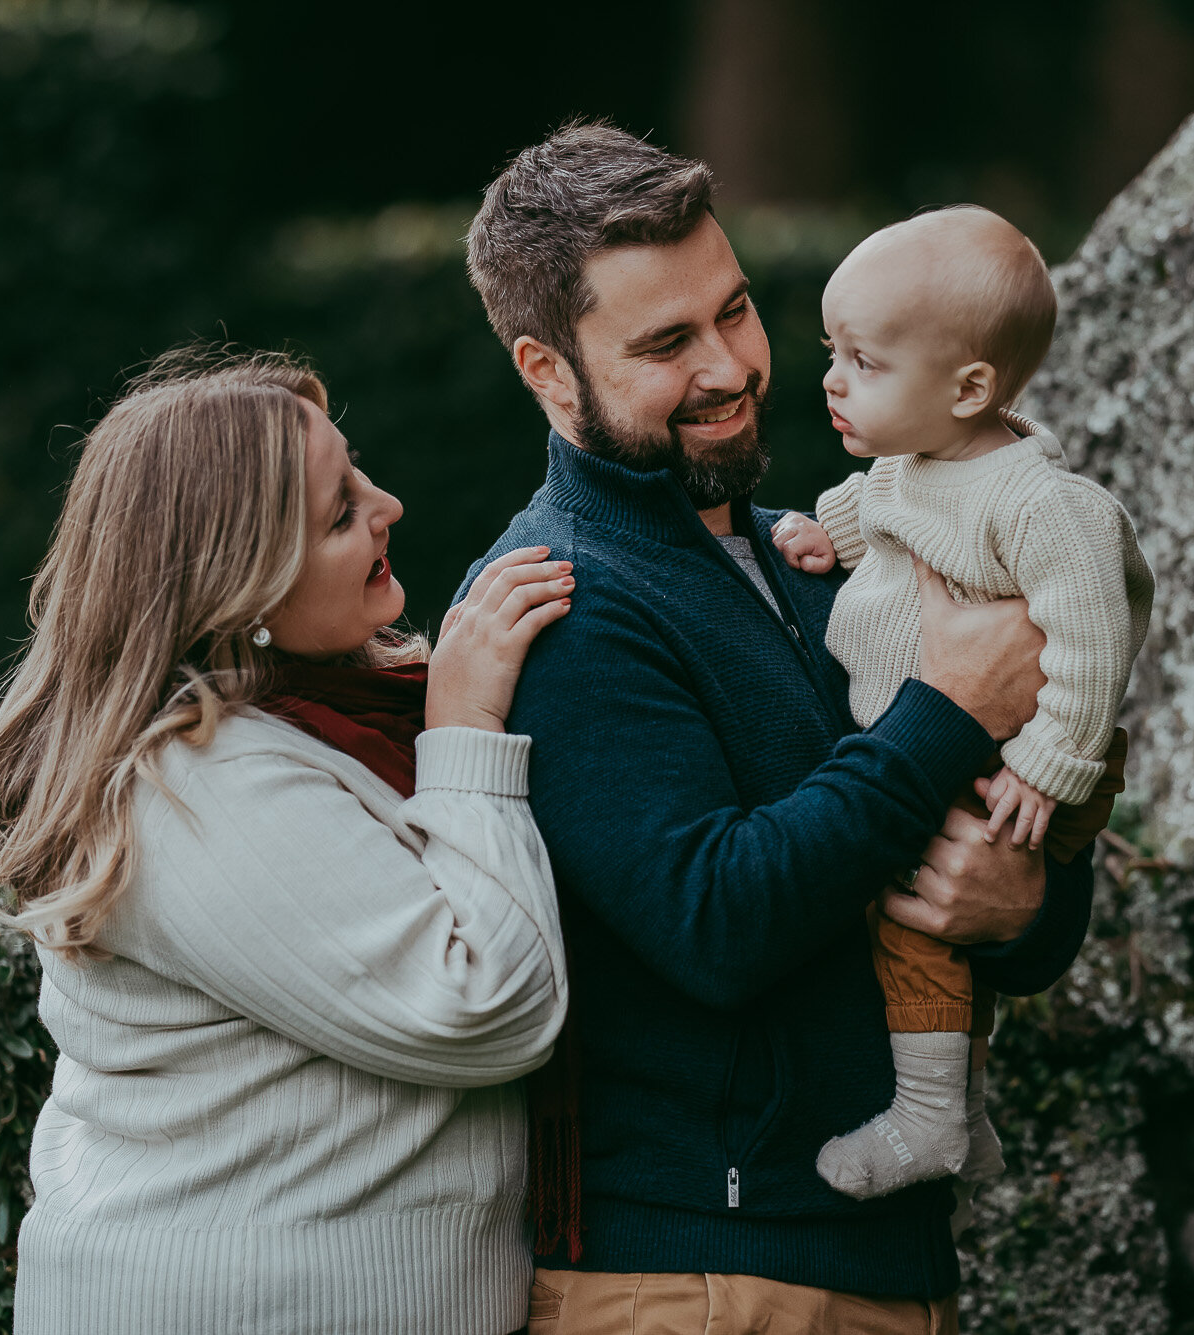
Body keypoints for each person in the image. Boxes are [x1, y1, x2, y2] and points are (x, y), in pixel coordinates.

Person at [459, 123, 1127, 1332]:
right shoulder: (558, 600)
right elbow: (714, 921)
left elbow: (990, 848)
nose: (729, 367)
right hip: (697, 1280)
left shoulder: (823, 552)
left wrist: (1024, 908)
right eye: (666, 343)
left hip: (879, 1266)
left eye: (734, 310)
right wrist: (944, 709)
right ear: (547, 371)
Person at [0, 347, 571, 1335]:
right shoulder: (189, 790)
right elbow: (485, 1006)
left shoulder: (333, 711)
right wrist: (466, 734)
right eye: (340, 514)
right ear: (237, 592)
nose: (386, 506)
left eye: (358, 472)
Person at [769, 206, 1153, 1202]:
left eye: (862, 360)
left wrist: (1049, 764)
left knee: (910, 922)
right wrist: (831, 535)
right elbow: (888, 507)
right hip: (978, 745)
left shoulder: (1039, 505)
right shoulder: (916, 459)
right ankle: (968, 1119)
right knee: (926, 917)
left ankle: (931, 1120)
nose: (830, 378)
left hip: (1021, 756)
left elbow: (1092, 635)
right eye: (829, 352)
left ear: (968, 387)